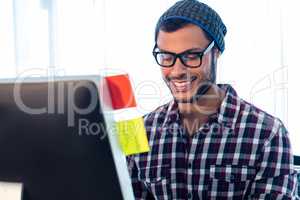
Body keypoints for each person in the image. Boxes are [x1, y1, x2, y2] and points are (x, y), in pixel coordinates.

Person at [126, 0, 299, 199]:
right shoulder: (137, 131)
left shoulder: (269, 134)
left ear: (216, 53)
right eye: (166, 56)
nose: (177, 70)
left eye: (191, 56)